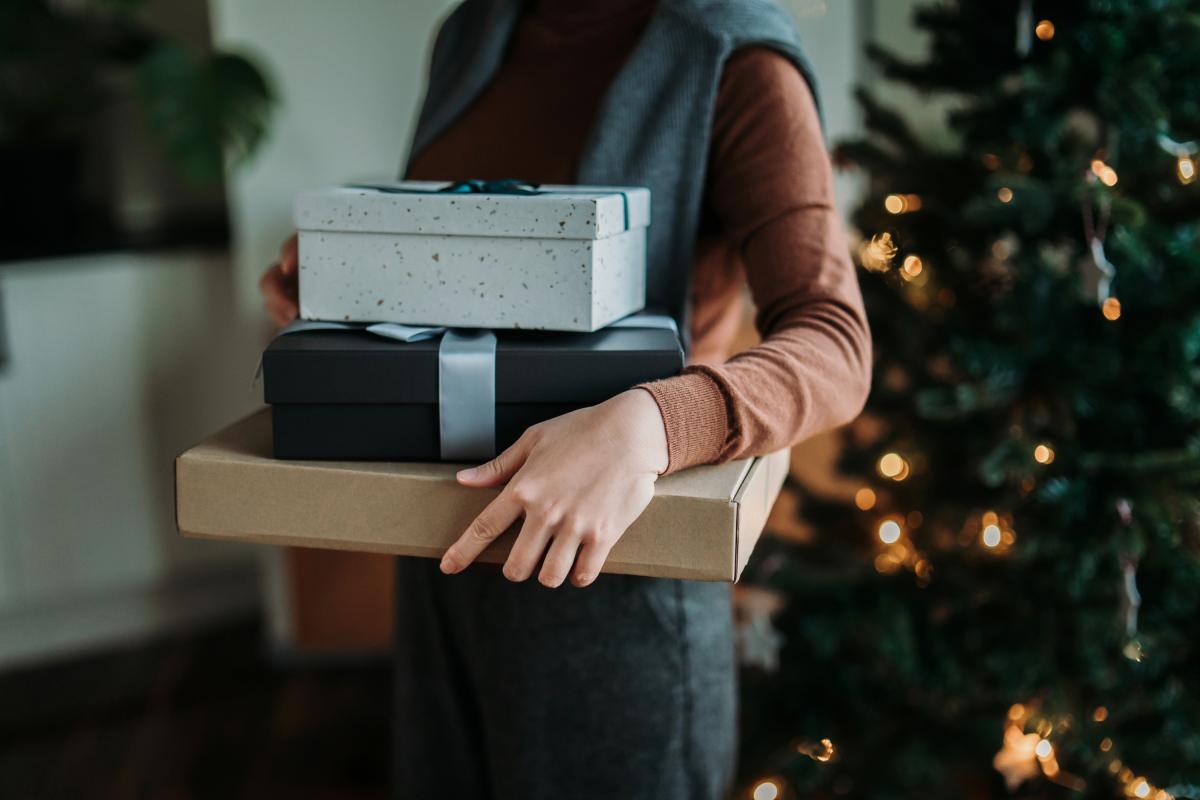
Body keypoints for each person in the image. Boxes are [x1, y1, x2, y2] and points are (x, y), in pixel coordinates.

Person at [259, 0, 871, 797]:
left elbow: (836, 342)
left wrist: (653, 423)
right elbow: (478, 251)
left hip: (613, 579)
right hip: (440, 550)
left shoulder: (732, 55)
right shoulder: (471, 32)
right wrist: (366, 270)